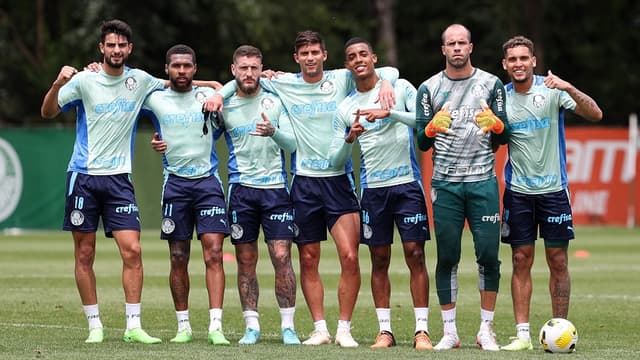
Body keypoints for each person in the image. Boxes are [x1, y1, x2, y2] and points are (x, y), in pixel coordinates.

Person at [206, 31, 399, 348]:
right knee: (307, 259)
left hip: (339, 179)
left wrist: (387, 82)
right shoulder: (282, 83)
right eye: (304, 53)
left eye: (315, 52)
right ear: (296, 58)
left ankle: (344, 329)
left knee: (350, 256)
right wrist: (218, 94)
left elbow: (385, 71)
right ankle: (320, 329)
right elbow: (243, 79)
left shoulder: (341, 79)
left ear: (324, 54)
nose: (310, 58)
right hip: (303, 182)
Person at [40, 19, 165, 344]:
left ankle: (133, 326)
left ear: (129, 49)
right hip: (83, 177)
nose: (116, 50)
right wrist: (57, 84)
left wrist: (221, 89)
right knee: (84, 254)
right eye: (111, 45)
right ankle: (95, 325)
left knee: (133, 250)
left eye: (122, 45)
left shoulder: (140, 80)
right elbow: (48, 112)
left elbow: (182, 85)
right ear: (102, 48)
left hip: (119, 180)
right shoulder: (84, 80)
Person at [499, 36, 603, 351]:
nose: (518, 64)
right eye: (512, 59)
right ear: (505, 65)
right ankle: (522, 335)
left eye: (523, 58)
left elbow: (595, 113)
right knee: (520, 259)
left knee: (558, 261)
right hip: (518, 193)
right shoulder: (499, 98)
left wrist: (569, 87)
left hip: (554, 191)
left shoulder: (553, 90)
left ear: (534, 60)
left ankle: (562, 330)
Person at [329, 38, 433, 350]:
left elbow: (422, 121)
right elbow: (336, 161)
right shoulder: (346, 107)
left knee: (415, 254)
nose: (358, 59)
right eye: (351, 56)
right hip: (373, 191)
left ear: (374, 58)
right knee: (379, 259)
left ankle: (422, 332)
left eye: (363, 53)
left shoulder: (399, 87)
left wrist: (390, 114)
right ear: (347, 65)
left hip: (406, 185)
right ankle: (385, 331)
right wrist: (349, 138)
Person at [415, 23, 511, 351]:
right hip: (445, 184)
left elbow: (502, 136)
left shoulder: (491, 84)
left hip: (483, 181)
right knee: (447, 256)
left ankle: (486, 330)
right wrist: (428, 130)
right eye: (450, 43)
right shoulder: (428, 89)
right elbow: (421, 142)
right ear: (443, 49)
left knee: (488, 256)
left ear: (471, 47)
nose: (456, 48)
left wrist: (498, 126)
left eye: (462, 43)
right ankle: (449, 332)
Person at [141, 44, 232, 345]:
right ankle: (183, 326)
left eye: (187, 66)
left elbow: (221, 88)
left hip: (207, 184)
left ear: (195, 68)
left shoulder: (208, 96)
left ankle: (215, 326)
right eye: (176, 66)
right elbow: (127, 89)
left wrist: (209, 86)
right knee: (178, 256)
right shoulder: (155, 98)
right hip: (175, 185)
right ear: (167, 69)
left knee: (214, 254)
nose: (182, 71)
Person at [215, 45, 301, 345]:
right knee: (246, 260)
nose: (249, 73)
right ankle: (251, 327)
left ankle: (288, 327)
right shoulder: (223, 105)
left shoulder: (276, 99)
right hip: (241, 192)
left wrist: (273, 131)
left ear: (261, 68)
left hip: (276, 190)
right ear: (234, 70)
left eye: (254, 67)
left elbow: (291, 145)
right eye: (244, 68)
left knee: (281, 256)